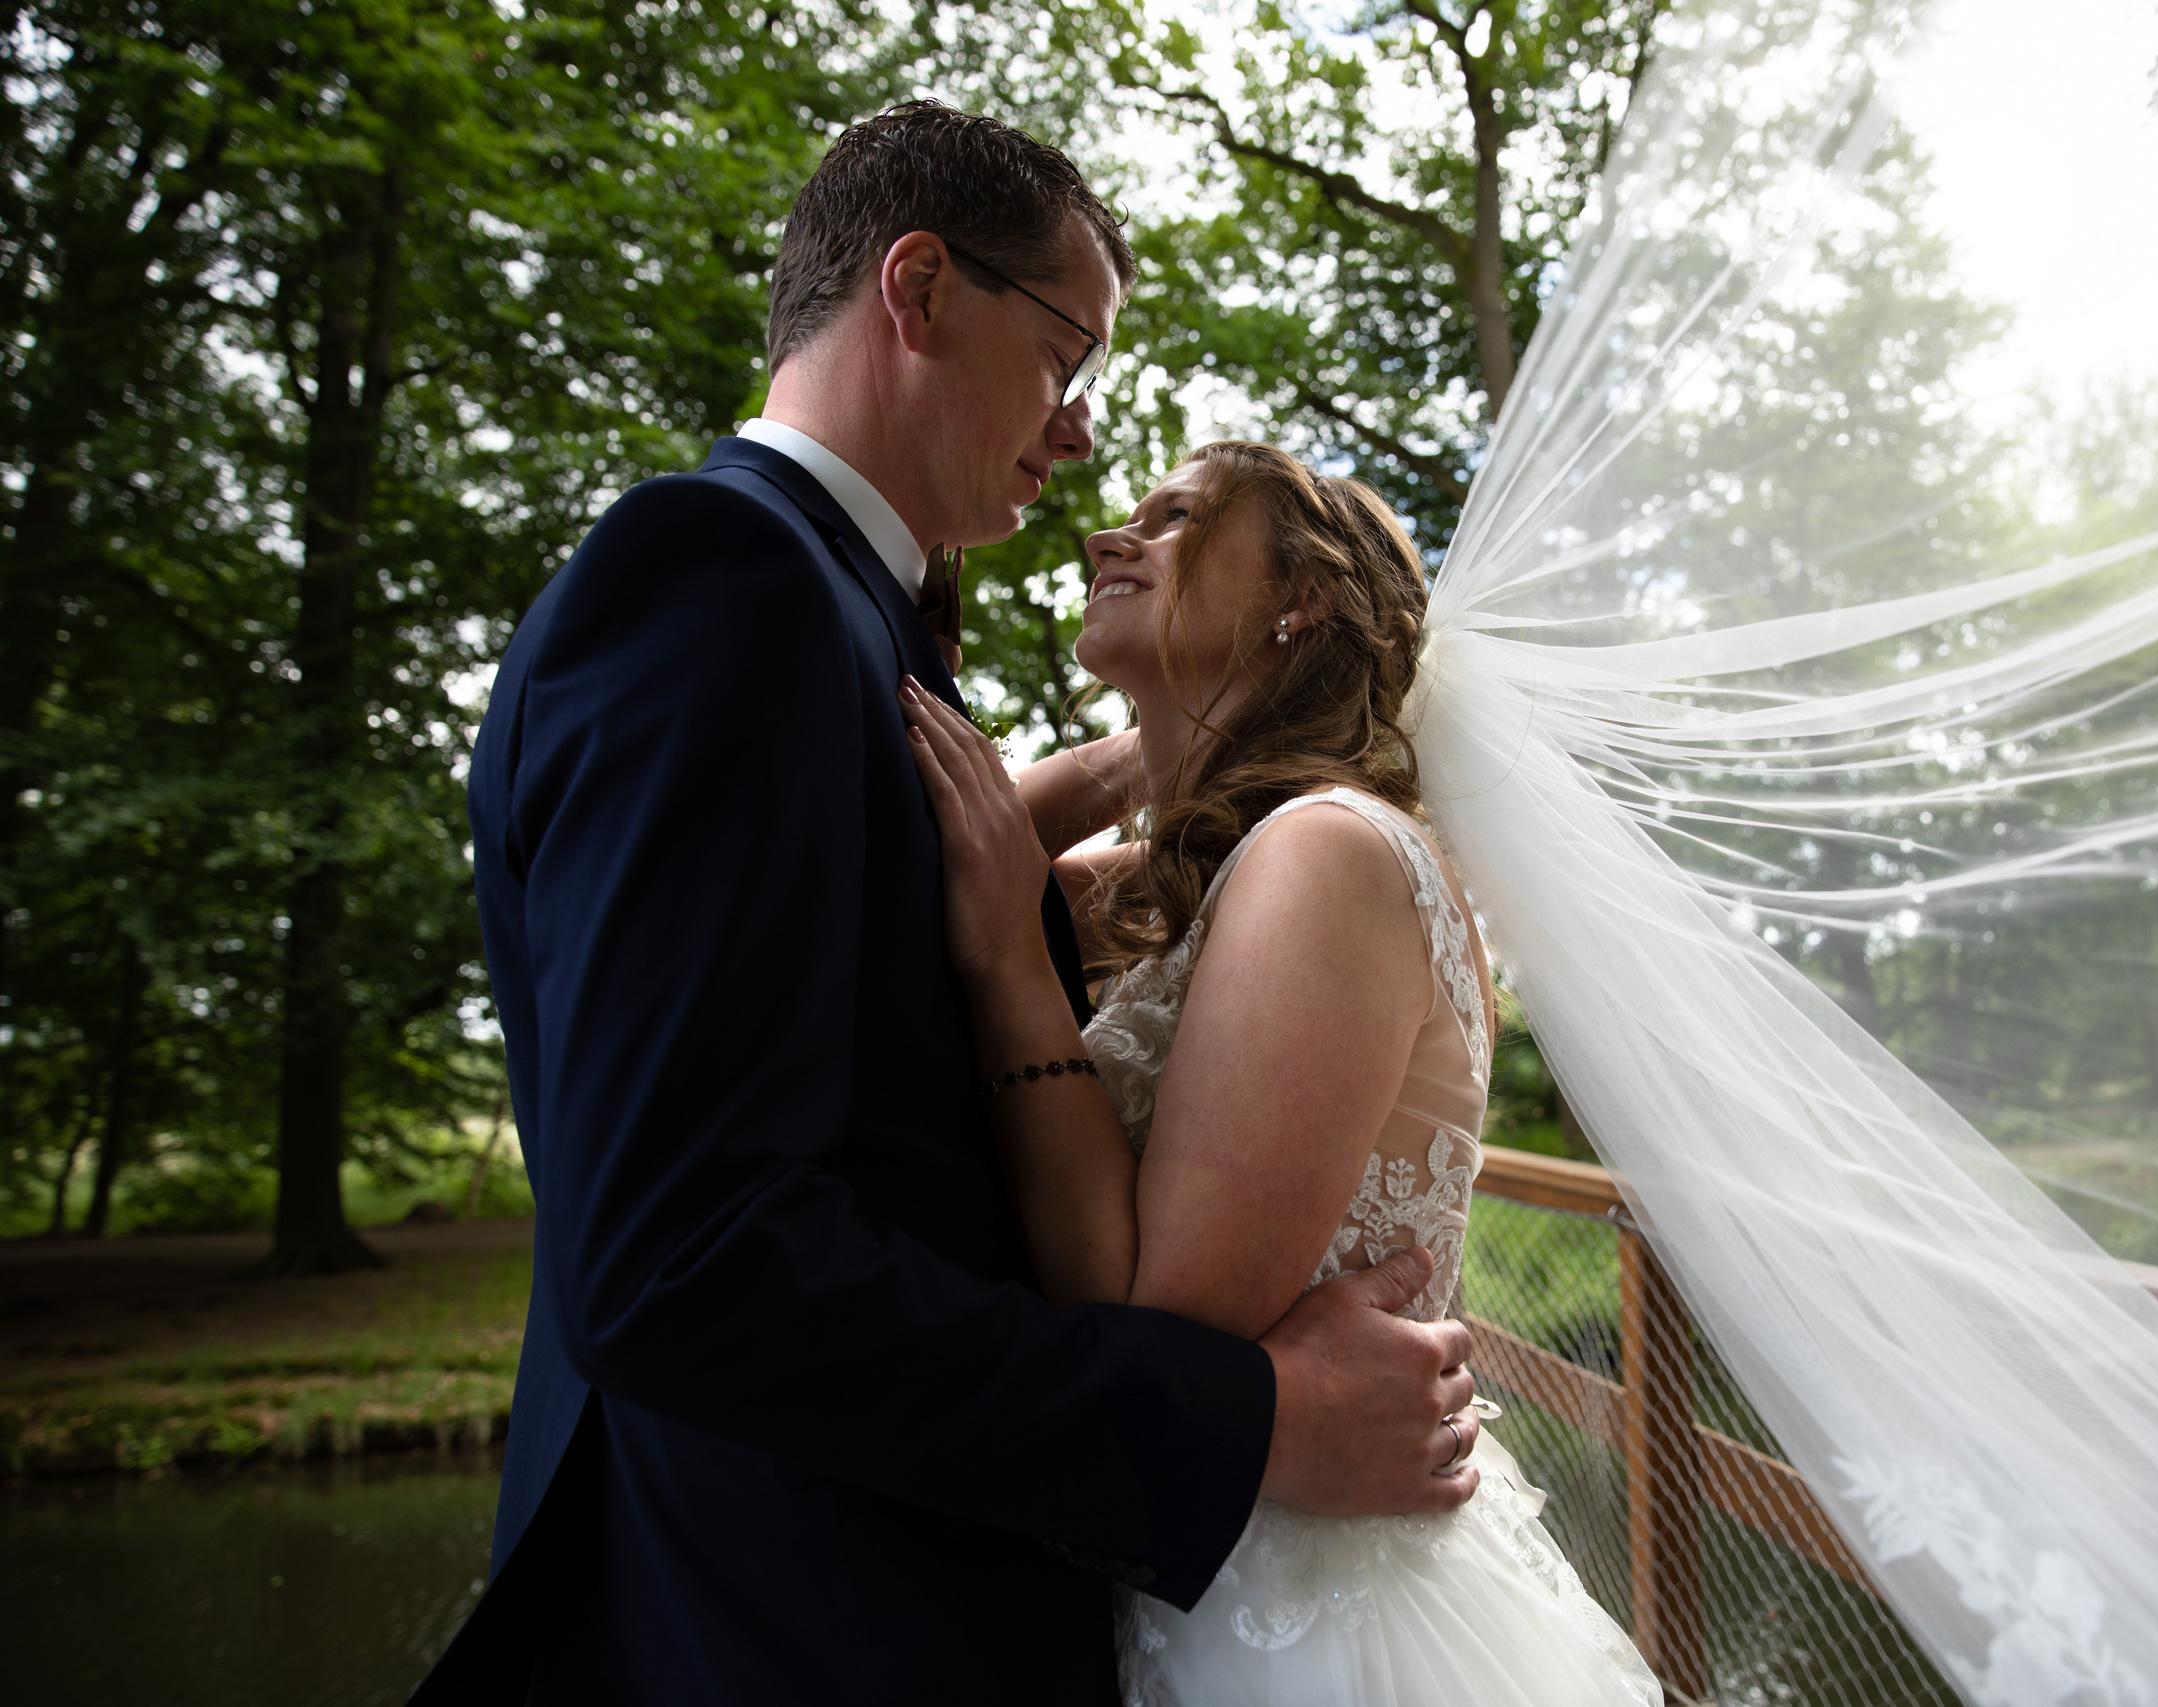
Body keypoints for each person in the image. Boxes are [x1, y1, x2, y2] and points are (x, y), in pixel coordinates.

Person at [412, 105, 1484, 1706]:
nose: (1080, 439)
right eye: (1067, 360)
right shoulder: (722, 579)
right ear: (919, 294)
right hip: (792, 1617)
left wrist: (1161, 763)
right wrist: (1251, 1416)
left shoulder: (838, 617)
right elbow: (680, 1253)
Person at [900, 440, 1664, 1705]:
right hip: (1196, 1565)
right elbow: (963, 861)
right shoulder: (1212, 872)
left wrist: (1009, 969)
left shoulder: (1330, 856)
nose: (1109, 539)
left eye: (1177, 518)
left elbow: (1156, 1319)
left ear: (1298, 599)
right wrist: (1175, 745)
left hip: (1312, 1617)